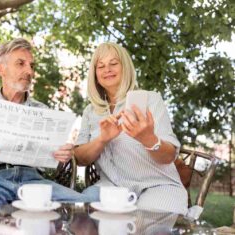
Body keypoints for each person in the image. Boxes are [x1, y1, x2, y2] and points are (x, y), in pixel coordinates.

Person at [0, 38, 90, 235]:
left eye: (31, 65)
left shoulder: (42, 110)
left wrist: (61, 155)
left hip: (34, 182)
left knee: (91, 212)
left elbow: (55, 164)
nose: (29, 71)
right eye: (20, 63)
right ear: (1, 69)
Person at [74, 42, 188, 215]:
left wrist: (147, 137)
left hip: (157, 186)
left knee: (144, 224)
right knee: (79, 216)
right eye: (101, 66)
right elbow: (80, 158)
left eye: (113, 63)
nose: (107, 69)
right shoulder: (90, 112)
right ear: (95, 74)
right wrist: (102, 139)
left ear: (125, 67)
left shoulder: (150, 99)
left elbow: (169, 155)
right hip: (110, 189)